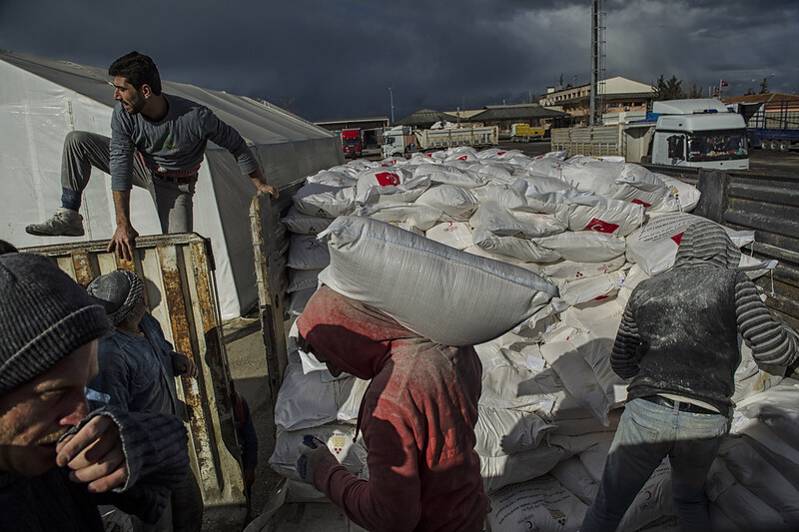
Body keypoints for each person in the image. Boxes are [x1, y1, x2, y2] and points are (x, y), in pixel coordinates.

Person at [581, 221, 799, 532]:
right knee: (689, 500)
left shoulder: (646, 289)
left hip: (648, 412)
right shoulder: (733, 283)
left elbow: (622, 363)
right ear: (725, 253)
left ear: (684, 251)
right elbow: (774, 353)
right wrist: (791, 339)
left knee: (608, 506)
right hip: (706, 419)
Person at [0, 251, 189, 531]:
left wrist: (137, 443)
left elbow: (153, 492)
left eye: (85, 385)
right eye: (55, 393)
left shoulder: (52, 458)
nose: (81, 414)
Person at [26, 51, 278, 260]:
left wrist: (260, 184)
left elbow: (237, 145)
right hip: (141, 166)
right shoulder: (124, 114)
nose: (116, 95)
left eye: (122, 89)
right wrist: (123, 223)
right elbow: (120, 163)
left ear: (145, 90)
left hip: (176, 185)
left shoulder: (196, 118)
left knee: (178, 251)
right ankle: (69, 215)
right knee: (77, 141)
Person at [293, 286, 488, 532]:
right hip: (469, 513)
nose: (334, 370)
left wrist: (324, 471)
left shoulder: (391, 399)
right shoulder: (451, 347)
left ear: (347, 335)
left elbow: (390, 517)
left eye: (328, 356)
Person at [86, 270, 203, 532]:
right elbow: (109, 415)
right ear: (128, 309)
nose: (145, 301)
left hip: (171, 450)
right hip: (146, 463)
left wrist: (174, 359)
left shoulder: (147, 324)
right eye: (139, 298)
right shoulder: (110, 355)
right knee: (157, 525)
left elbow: (160, 352)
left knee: (191, 511)